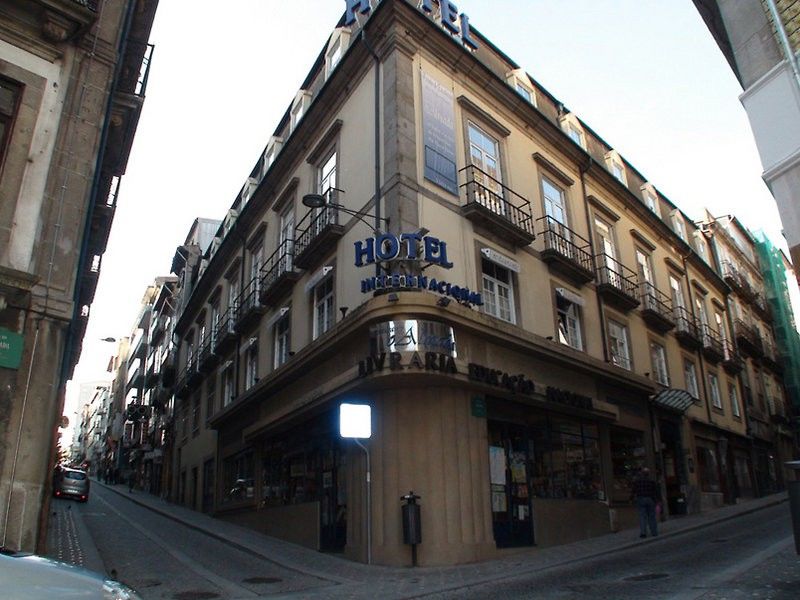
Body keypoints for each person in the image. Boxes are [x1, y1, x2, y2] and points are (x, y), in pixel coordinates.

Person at [631, 467, 659, 538]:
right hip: (650, 499)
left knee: (642, 517)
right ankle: (654, 532)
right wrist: (657, 501)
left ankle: (643, 533)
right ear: (648, 474)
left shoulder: (637, 481)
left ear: (642, 474)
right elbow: (655, 492)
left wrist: (631, 498)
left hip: (640, 499)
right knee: (651, 517)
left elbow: (634, 490)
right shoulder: (651, 481)